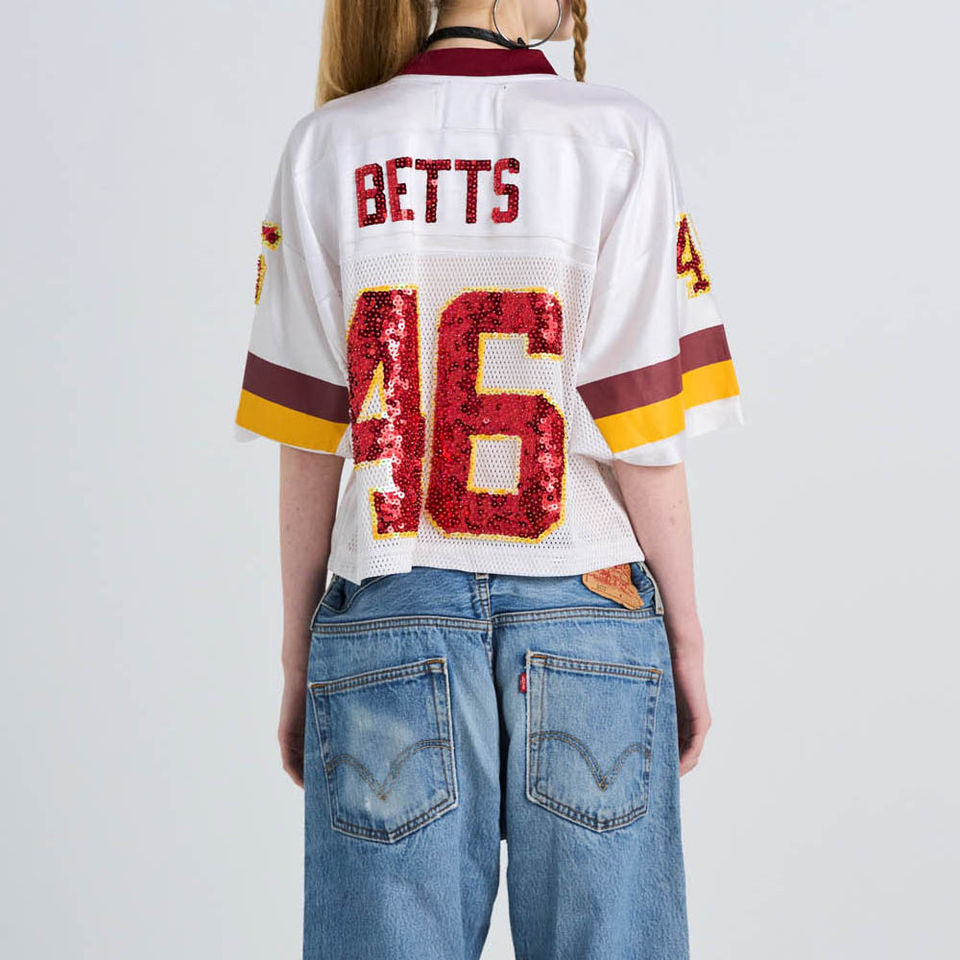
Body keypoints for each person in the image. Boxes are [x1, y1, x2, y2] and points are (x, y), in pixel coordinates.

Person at [232, 1, 744, 957]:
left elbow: (307, 438)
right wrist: (686, 637)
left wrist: (300, 659)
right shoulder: (616, 138)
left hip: (388, 607)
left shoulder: (327, 146)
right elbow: (641, 425)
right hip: (586, 602)